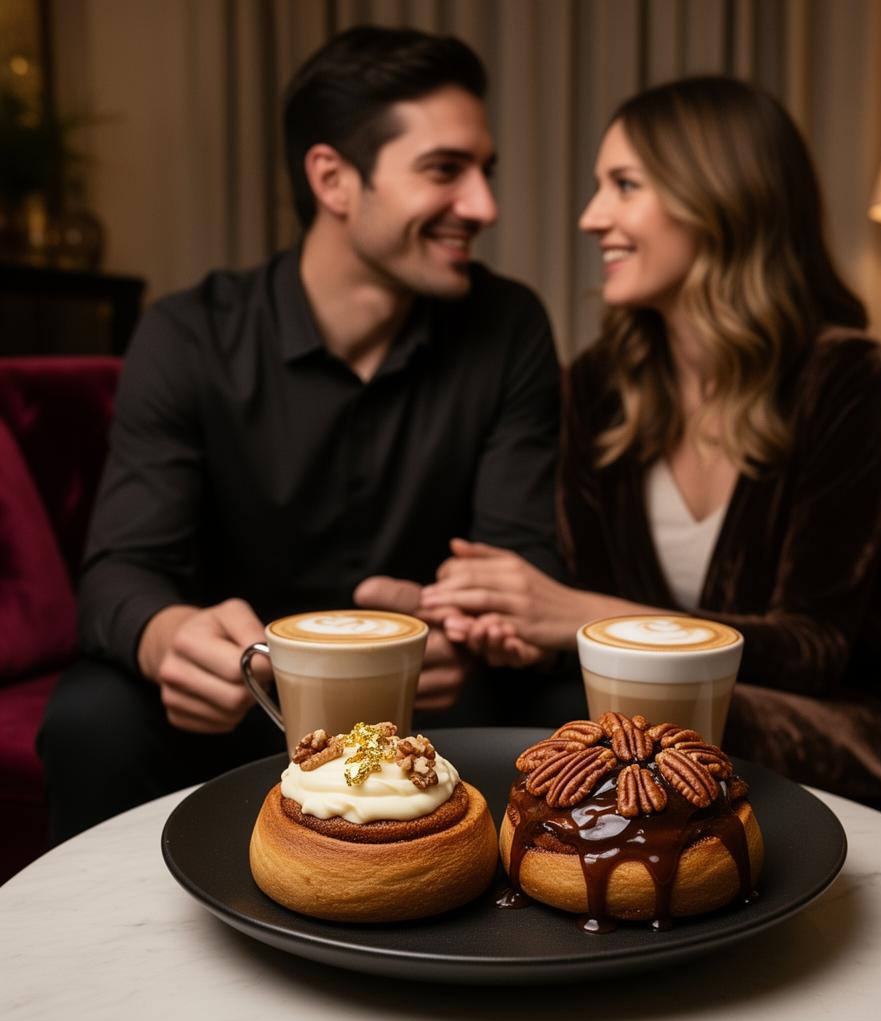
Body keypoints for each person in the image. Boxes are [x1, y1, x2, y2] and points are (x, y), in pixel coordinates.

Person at [37, 25, 563, 842]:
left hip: (427, 704)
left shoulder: (510, 326)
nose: (484, 207)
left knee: (554, 702)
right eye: (444, 171)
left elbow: (521, 562)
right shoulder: (188, 333)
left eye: (484, 172)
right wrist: (167, 636)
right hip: (242, 697)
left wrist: (475, 629)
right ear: (333, 179)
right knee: (91, 719)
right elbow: (120, 570)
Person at [420, 76, 881, 805]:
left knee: (667, 724)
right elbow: (588, 628)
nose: (593, 217)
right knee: (566, 715)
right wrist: (498, 624)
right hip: (642, 714)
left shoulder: (845, 376)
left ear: (722, 197)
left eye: (624, 185)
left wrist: (580, 617)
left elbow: (815, 648)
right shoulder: (598, 383)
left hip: (832, 712)